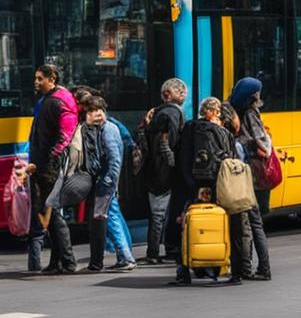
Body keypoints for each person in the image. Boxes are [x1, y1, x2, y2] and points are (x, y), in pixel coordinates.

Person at [169, 97, 240, 286]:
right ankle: (220, 265)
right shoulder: (222, 133)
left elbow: (181, 157)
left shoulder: (189, 129)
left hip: (189, 188)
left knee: (185, 226)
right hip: (214, 186)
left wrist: (189, 184)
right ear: (215, 113)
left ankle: (183, 270)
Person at [26, 65, 78, 274]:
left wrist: (49, 159)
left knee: (52, 214)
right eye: (36, 78)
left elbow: (65, 135)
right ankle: (57, 261)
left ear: (52, 78)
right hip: (44, 165)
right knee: (49, 213)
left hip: (49, 167)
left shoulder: (57, 102)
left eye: (40, 78)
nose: (36, 82)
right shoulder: (49, 101)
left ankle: (68, 261)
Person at [78, 96, 135, 272]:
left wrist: (109, 181)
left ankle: (126, 257)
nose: (95, 115)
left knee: (111, 220)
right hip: (105, 181)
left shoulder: (108, 130)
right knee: (112, 217)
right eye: (91, 112)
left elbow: (114, 159)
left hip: (106, 183)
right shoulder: (102, 128)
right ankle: (124, 256)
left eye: (97, 111)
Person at [227, 77, 271, 281]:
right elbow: (263, 146)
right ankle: (262, 267)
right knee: (255, 221)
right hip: (251, 173)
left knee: (245, 221)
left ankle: (246, 266)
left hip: (237, 172)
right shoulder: (251, 113)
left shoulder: (229, 109)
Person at [138, 78, 185, 265]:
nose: (184, 96)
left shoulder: (154, 115)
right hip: (165, 173)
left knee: (157, 214)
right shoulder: (172, 115)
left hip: (153, 172)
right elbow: (171, 145)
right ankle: (158, 251)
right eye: (181, 93)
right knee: (161, 213)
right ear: (168, 95)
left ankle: (155, 251)